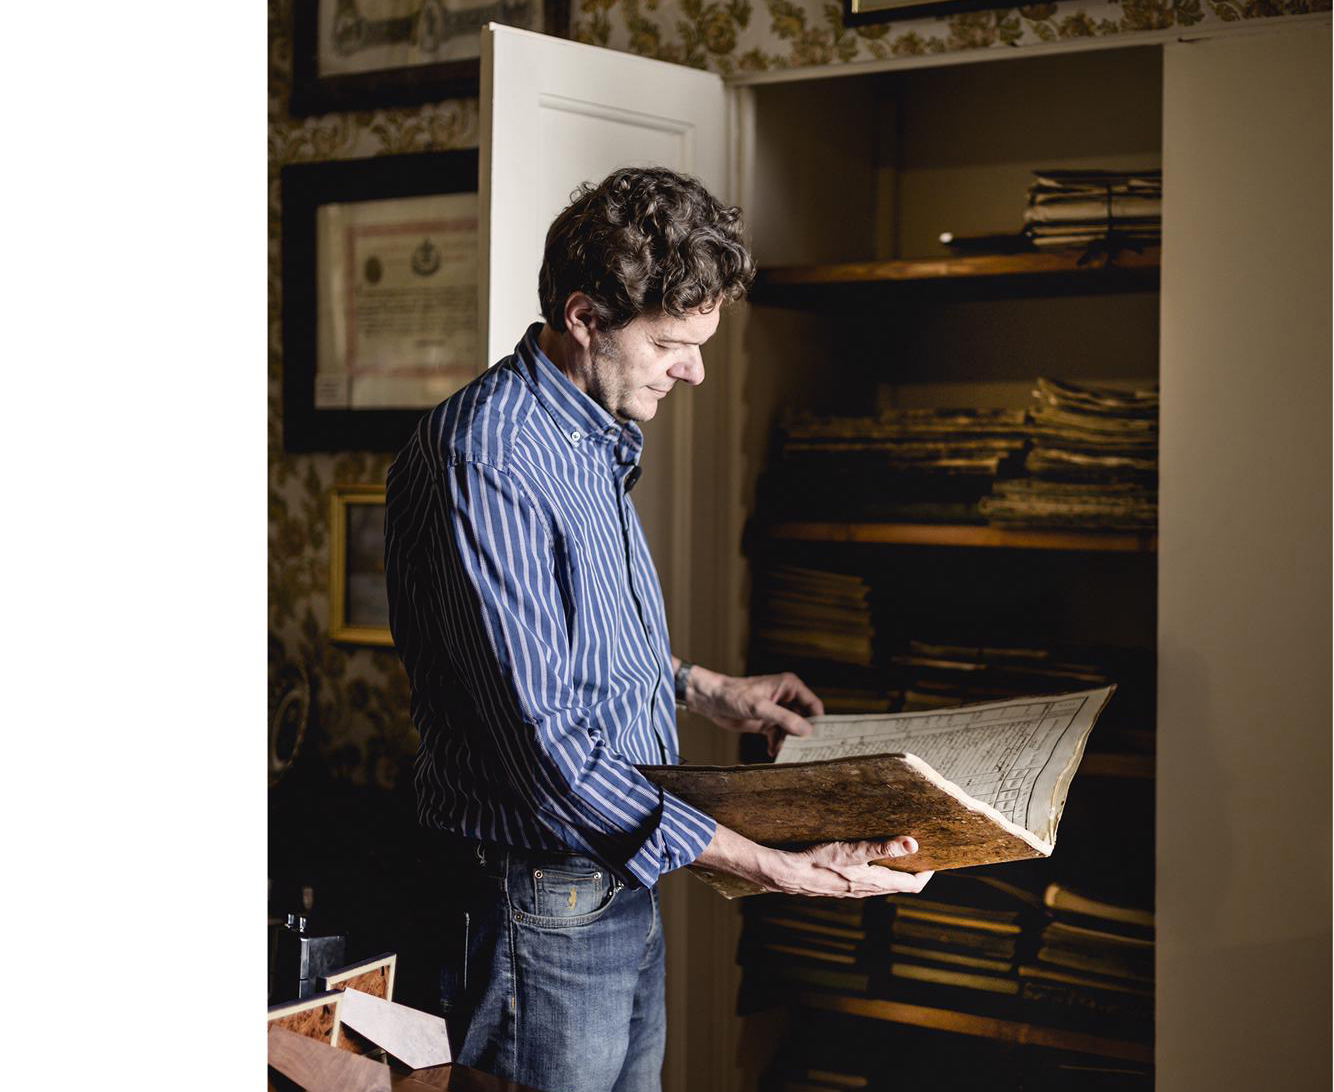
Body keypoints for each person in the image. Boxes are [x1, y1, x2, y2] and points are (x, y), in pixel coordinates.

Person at [384, 166, 931, 1092]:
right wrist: (769, 867)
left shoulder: (585, 434)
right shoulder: (487, 457)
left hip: (615, 881)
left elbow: (567, 640)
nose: (697, 370)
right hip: (537, 903)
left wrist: (704, 688)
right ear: (586, 315)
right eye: (676, 342)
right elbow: (541, 740)